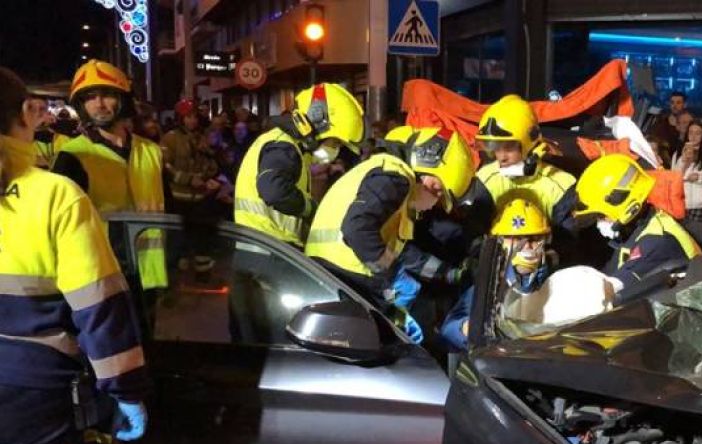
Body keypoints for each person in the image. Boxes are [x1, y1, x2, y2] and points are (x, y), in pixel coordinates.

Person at [0, 66, 148, 444]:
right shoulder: (55, 191)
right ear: (28, 113)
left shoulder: (145, 153)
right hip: (27, 395)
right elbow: (98, 305)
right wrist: (124, 390)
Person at [305, 126, 474, 338]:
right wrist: (393, 275)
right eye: (437, 190)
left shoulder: (386, 179)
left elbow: (404, 255)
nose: (434, 201)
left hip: (334, 274)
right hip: (344, 275)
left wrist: (448, 273)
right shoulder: (395, 178)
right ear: (425, 165)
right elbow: (357, 229)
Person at [51, 59, 167, 292]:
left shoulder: (151, 151)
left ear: (123, 100)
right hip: (102, 272)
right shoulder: (73, 155)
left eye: (107, 95)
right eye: (90, 97)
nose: (99, 104)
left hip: (149, 271)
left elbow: (168, 206)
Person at [234, 83, 364, 248]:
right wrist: (310, 209)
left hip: (268, 245)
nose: (335, 148)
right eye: (336, 141)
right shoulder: (283, 146)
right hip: (268, 247)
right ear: (319, 124)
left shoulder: (291, 146)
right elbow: (274, 191)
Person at [576, 153, 701, 292]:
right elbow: (611, 271)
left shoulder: (655, 243)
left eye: (601, 215)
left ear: (628, 208)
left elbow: (614, 290)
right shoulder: (635, 231)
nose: (599, 222)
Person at [440, 199, 552, 351]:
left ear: (546, 239)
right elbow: (449, 329)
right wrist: (467, 328)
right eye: (517, 239)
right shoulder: (490, 285)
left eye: (534, 238)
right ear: (501, 242)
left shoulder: (558, 280)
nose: (526, 246)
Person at [462, 94, 578, 242]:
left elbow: (567, 244)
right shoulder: (486, 179)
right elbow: (474, 236)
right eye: (496, 148)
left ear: (530, 144)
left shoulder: (560, 186)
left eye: (509, 148)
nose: (501, 157)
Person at [160, 98, 222, 216]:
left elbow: (211, 166)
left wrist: (210, 179)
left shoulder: (202, 138)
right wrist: (189, 179)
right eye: (188, 117)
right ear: (181, 119)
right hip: (178, 199)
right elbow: (166, 167)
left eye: (195, 117)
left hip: (200, 198)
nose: (193, 121)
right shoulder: (170, 138)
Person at [670, 119, 702, 226]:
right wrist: (683, 161)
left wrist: (699, 178)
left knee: (695, 233)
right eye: (691, 132)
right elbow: (672, 179)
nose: (693, 136)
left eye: (698, 133)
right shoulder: (677, 154)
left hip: (700, 206)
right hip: (680, 203)